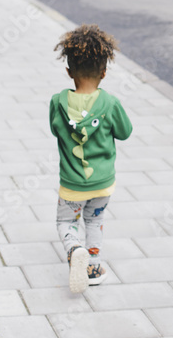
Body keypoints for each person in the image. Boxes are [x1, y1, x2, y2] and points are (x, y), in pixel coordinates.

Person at [50, 24, 133, 293]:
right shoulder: (110, 104)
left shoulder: (57, 103)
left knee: (66, 223)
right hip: (102, 184)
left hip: (72, 184)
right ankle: (94, 268)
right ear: (104, 73)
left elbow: (55, 130)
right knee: (94, 221)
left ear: (69, 72)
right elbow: (125, 132)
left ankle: (75, 250)